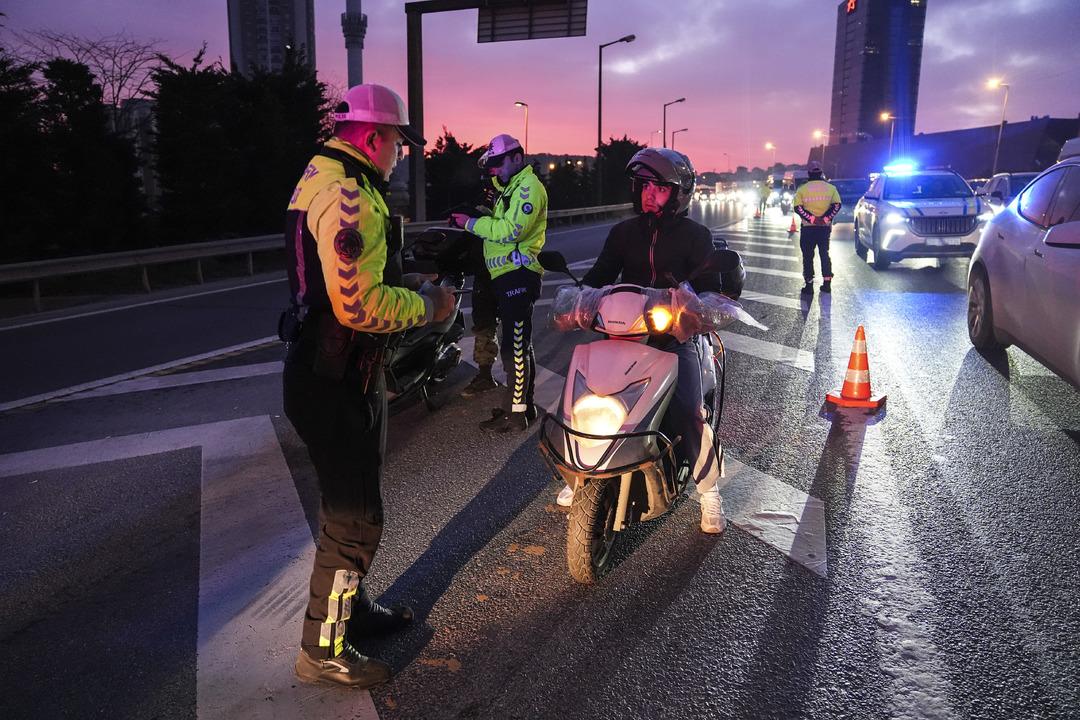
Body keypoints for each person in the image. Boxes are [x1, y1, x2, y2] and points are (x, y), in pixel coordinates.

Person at [280, 83, 455, 689]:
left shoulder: (322, 173)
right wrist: (430, 305)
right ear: (374, 137)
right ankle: (322, 648)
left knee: (357, 504)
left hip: (336, 370)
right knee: (354, 518)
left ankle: (349, 612)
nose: (399, 155)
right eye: (398, 145)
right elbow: (359, 304)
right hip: (334, 377)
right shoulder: (348, 195)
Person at [559, 147, 727, 534]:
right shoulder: (623, 233)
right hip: (621, 333)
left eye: (661, 188)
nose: (650, 194)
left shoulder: (696, 236)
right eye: (644, 186)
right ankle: (579, 474)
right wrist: (580, 298)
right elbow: (601, 274)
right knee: (581, 396)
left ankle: (709, 490)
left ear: (680, 192)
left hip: (673, 339)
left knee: (689, 409)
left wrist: (697, 306)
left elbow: (710, 291)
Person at [450, 134, 547, 432]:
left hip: (518, 275)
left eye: (498, 164)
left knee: (514, 348)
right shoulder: (510, 188)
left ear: (517, 159)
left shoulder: (529, 188)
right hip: (506, 276)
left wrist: (469, 222)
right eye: (491, 167)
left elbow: (511, 230)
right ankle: (520, 407)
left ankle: (516, 414)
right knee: (518, 345)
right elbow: (499, 214)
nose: (494, 171)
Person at [459, 178, 502, 398]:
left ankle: (519, 384)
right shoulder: (476, 214)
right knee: (484, 326)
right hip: (484, 277)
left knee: (515, 332)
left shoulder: (511, 210)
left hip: (505, 274)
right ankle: (485, 375)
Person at [793, 160, 842, 294]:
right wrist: (825, 219)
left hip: (808, 228)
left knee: (808, 257)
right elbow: (837, 205)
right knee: (824, 254)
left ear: (808, 173)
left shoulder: (802, 189)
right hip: (824, 228)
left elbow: (797, 208)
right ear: (821, 173)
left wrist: (812, 219)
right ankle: (827, 284)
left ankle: (809, 286)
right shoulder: (831, 188)